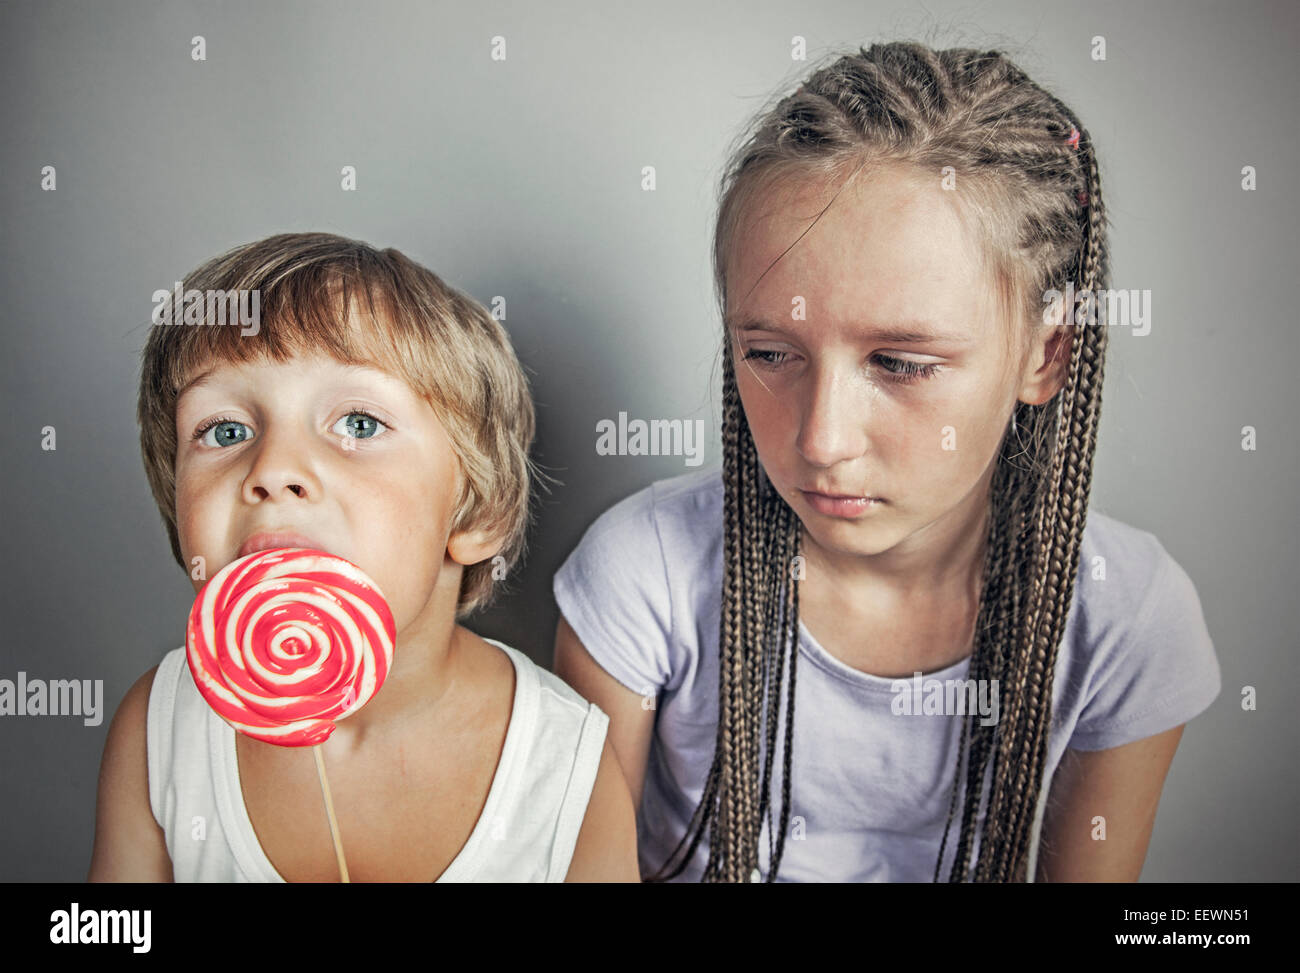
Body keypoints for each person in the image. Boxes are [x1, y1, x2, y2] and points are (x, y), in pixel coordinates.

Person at [552, 42, 1220, 882]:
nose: (822, 440)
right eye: (768, 350)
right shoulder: (640, 578)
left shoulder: (1125, 618)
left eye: (902, 363)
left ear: (1046, 356)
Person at [89, 232, 638, 882]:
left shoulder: (564, 763)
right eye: (226, 430)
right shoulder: (161, 729)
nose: (273, 468)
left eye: (358, 423)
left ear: (476, 513)